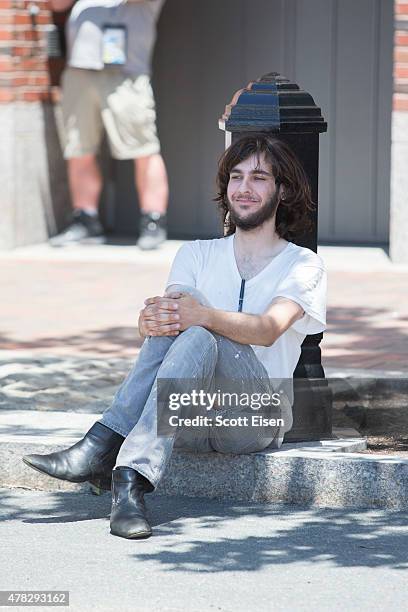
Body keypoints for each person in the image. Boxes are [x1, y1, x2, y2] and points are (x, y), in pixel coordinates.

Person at [23, 134, 327, 539]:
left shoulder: (303, 264)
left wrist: (201, 315)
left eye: (258, 178)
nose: (244, 188)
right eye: (236, 177)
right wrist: (147, 323)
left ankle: (105, 447)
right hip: (187, 415)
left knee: (197, 318)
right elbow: (168, 324)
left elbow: (269, 330)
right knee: (185, 314)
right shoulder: (196, 253)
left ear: (282, 189)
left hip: (254, 415)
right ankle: (128, 479)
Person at [50, 0, 168, 250]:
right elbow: (56, 5)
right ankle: (86, 220)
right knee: (78, 149)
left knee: (143, 149)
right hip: (79, 72)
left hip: (126, 75)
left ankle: (153, 220)